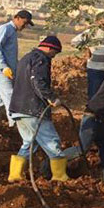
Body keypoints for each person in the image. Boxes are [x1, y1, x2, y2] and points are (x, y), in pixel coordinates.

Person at [7, 36, 79, 182]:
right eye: (55, 52)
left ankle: (15, 175)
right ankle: (59, 176)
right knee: (52, 141)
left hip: (18, 108)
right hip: (33, 110)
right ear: (49, 48)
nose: (54, 56)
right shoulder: (41, 59)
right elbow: (38, 82)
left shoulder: (26, 58)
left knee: (29, 143)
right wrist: (51, 98)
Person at [0, 10, 34, 125]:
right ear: (17, 18)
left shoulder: (12, 31)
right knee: (10, 96)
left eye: (27, 24)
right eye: (24, 23)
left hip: (7, 70)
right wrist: (4, 67)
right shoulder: (5, 29)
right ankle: (15, 124)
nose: (25, 26)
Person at [71, 12, 104, 99]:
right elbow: (74, 42)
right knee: (94, 94)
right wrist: (86, 48)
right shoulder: (90, 33)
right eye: (103, 21)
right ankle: (92, 111)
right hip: (95, 70)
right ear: (97, 22)